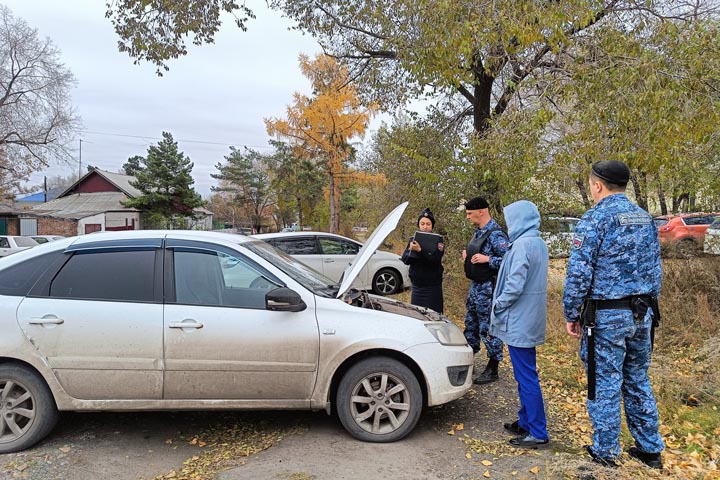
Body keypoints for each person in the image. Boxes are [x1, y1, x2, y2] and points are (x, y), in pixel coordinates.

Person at [563, 160, 664, 469]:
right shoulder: (645, 219)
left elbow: (579, 272)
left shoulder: (595, 219)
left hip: (606, 318)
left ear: (598, 185)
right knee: (637, 378)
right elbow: (655, 270)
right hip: (642, 314)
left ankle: (606, 451)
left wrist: (571, 312)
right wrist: (649, 306)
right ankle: (649, 450)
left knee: (604, 382)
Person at [490, 200, 549, 448]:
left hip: (519, 320)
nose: (508, 224)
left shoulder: (523, 245)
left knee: (526, 375)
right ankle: (525, 422)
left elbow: (514, 286)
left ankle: (537, 431)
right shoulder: (537, 243)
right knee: (524, 373)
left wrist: (499, 304)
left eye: (511, 219)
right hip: (529, 317)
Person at [462, 196, 509, 384]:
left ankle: (493, 366)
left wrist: (488, 260)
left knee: (488, 328)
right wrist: (468, 256)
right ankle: (467, 362)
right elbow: (478, 254)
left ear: (481, 211)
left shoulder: (496, 234)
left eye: (469, 213)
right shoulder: (478, 232)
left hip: (489, 290)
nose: (467, 217)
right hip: (476, 288)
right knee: (471, 325)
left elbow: (509, 261)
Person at [401, 207, 445, 313]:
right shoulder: (413, 239)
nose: (425, 227)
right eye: (422, 224)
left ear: (432, 225)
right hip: (417, 287)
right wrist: (411, 251)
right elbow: (405, 259)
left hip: (432, 287)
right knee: (417, 315)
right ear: (419, 225)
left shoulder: (438, 240)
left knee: (433, 315)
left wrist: (420, 250)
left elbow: (435, 259)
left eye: (428, 224)